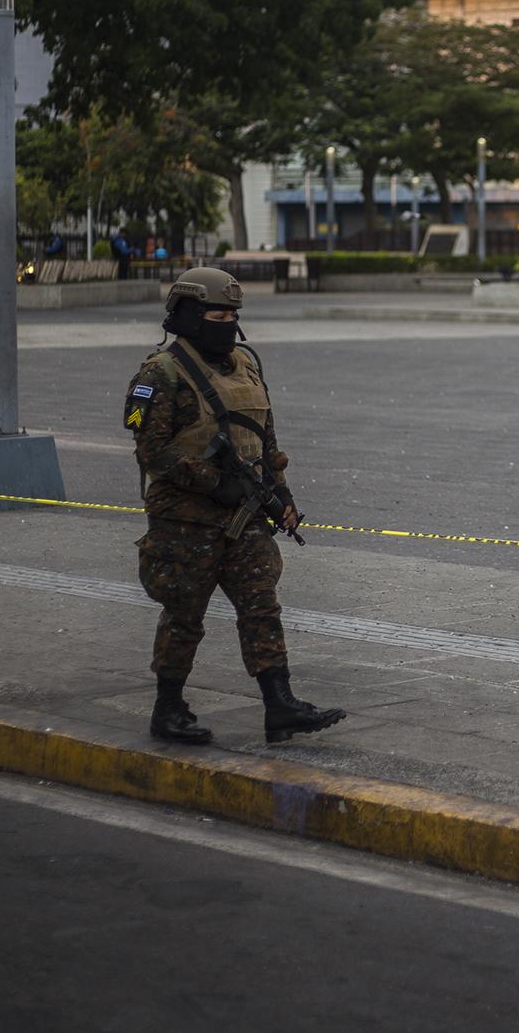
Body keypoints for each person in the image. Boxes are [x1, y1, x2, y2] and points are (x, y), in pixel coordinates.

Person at [123, 267, 345, 745]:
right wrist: (212, 481)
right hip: (184, 519)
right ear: (188, 316)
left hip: (242, 515)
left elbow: (264, 437)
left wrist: (279, 490)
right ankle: (168, 708)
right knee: (185, 615)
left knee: (261, 604)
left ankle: (279, 704)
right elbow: (153, 450)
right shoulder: (159, 375)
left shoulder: (246, 365)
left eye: (233, 314)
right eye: (216, 313)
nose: (227, 322)